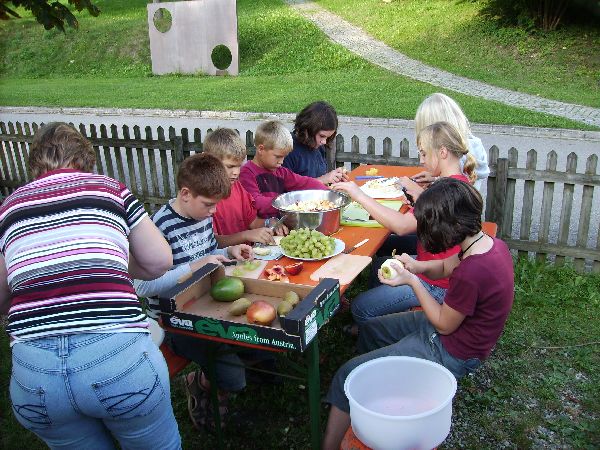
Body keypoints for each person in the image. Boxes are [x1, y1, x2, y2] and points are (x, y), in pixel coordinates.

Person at [0, 122, 182, 449]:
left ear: (34, 163)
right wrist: (114, 260)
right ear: (86, 158)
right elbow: (159, 261)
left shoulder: (9, 207)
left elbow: (2, 295)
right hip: (118, 359)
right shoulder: (109, 189)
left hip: (35, 377)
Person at [322, 178, 514, 449]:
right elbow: (447, 266)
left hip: (452, 349)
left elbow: (444, 325)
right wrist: (417, 266)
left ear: (451, 225)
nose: (427, 233)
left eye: (430, 227)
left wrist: (413, 282)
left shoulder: (474, 271)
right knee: (372, 329)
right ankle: (374, 390)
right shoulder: (487, 244)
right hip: (452, 333)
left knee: (345, 375)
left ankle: (354, 402)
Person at [134, 153, 254, 431]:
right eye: (209, 205)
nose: (214, 212)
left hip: (205, 303)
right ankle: (200, 385)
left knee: (252, 342)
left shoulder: (201, 215)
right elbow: (142, 286)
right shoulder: (159, 227)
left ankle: (216, 376)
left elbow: (208, 252)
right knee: (236, 378)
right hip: (173, 321)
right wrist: (193, 267)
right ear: (185, 194)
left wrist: (228, 251)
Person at [332, 122, 477, 335]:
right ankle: (383, 315)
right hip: (436, 267)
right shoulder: (453, 182)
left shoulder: (447, 192)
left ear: (443, 152)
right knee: (380, 263)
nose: (421, 161)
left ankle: (379, 331)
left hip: (437, 284)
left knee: (360, 307)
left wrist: (357, 193)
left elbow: (400, 226)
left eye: (424, 154)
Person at [202, 127, 287, 247]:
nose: (236, 172)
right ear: (208, 160)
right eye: (230, 166)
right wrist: (246, 235)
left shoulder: (237, 187)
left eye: (238, 166)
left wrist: (270, 222)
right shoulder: (203, 197)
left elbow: (253, 222)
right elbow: (213, 242)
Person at [239, 119, 329, 218]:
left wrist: (327, 192)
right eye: (278, 156)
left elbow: (304, 182)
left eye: (284, 157)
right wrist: (287, 203)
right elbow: (256, 203)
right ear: (261, 149)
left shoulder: (281, 172)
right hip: (259, 228)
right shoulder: (247, 173)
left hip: (280, 224)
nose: (281, 161)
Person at [409, 92, 489, 192]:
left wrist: (418, 192)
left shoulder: (455, 159)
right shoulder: (471, 145)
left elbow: (451, 197)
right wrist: (436, 179)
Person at [283, 101, 349, 184]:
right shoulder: (287, 150)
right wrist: (322, 180)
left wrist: (334, 178)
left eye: (327, 137)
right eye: (322, 136)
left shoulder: (317, 146)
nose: (324, 141)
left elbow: (320, 177)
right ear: (308, 129)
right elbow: (286, 190)